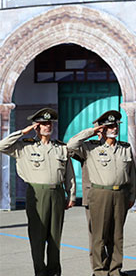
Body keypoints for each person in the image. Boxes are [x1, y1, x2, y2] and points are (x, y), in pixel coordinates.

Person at [0, 108, 75, 276]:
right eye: (43, 124)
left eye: (50, 123)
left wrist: (71, 194)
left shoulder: (61, 148)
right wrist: (22, 131)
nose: (47, 126)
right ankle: (40, 272)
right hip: (37, 194)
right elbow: (2, 146)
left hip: (57, 193)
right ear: (36, 127)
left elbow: (69, 173)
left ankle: (54, 272)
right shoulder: (24, 146)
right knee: (38, 237)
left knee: (55, 237)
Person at [67, 110, 136, 276]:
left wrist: (132, 195)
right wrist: (93, 131)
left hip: (121, 194)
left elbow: (132, 174)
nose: (114, 129)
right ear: (102, 129)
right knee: (99, 235)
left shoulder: (125, 148)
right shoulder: (91, 148)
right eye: (110, 126)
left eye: (115, 126)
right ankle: (100, 271)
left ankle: (115, 270)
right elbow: (70, 145)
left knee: (117, 235)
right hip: (99, 194)